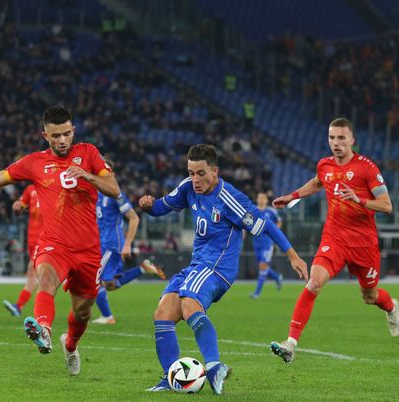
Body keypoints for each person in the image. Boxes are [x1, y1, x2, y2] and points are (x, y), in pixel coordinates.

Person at [0, 105, 120, 376]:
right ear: (45, 135)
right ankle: (43, 328)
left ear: (73, 131)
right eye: (56, 136)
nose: (62, 140)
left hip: (89, 250)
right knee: (45, 277)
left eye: (66, 134)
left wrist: (87, 175)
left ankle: (70, 344)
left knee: (82, 313)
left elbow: (114, 189)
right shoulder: (34, 163)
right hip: (55, 244)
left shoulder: (88, 153)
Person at [139, 144, 308, 394]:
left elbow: (266, 224)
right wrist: (148, 205)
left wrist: (292, 255)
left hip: (218, 267)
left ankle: (215, 367)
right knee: (163, 313)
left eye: (201, 173)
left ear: (214, 171)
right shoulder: (188, 187)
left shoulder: (230, 198)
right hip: (197, 265)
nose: (195, 179)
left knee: (188, 303)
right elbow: (162, 207)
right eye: (191, 172)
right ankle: (171, 377)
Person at [269, 117, 399, 364]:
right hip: (335, 237)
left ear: (352, 140)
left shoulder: (367, 168)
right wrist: (293, 196)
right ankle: (291, 344)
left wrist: (358, 200)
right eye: (332, 137)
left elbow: (386, 205)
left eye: (341, 138)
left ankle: (391, 307)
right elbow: (318, 182)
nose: (336, 143)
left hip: (363, 243)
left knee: (369, 297)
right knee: (313, 283)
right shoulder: (325, 165)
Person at [93, 157, 166, 325]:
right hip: (101, 243)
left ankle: (107, 316)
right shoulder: (95, 193)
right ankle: (142, 268)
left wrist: (127, 244)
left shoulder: (115, 194)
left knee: (93, 280)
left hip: (111, 244)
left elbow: (134, 219)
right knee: (110, 284)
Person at [3, 184, 44, 317]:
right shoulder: (30, 189)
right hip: (31, 238)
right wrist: (17, 207)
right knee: (34, 275)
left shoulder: (52, 186)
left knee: (33, 270)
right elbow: (21, 206)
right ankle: (21, 307)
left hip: (44, 237)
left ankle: (21, 307)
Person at [249, 192, 284, 299]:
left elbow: (279, 221)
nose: (261, 199)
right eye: (260, 197)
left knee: (262, 266)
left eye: (263, 198)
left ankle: (257, 293)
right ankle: (277, 277)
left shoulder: (271, 211)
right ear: (257, 199)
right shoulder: (253, 210)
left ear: (266, 200)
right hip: (256, 242)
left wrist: (274, 232)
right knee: (262, 266)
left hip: (267, 242)